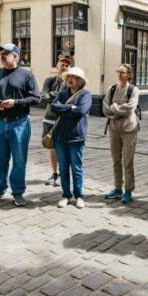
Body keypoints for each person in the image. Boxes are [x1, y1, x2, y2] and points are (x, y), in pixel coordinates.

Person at [0, 43, 41, 207]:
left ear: (15, 56)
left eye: (6, 53)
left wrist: (15, 102)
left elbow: (36, 98)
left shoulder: (26, 75)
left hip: (19, 123)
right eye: (1, 53)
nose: (2, 55)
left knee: (19, 159)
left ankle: (18, 192)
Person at [51, 67, 92, 209]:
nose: (70, 79)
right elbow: (53, 106)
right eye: (68, 76)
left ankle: (79, 196)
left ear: (79, 80)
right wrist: (71, 108)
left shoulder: (85, 95)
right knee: (63, 168)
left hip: (76, 137)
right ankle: (66, 195)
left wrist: (65, 108)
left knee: (76, 168)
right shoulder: (63, 93)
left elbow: (81, 111)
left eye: (73, 77)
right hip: (60, 137)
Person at [102, 64, 140, 204]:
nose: (119, 74)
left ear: (129, 74)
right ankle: (118, 188)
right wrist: (116, 113)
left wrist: (115, 108)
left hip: (129, 129)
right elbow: (105, 108)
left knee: (128, 161)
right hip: (114, 129)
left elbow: (130, 108)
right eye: (118, 71)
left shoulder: (133, 90)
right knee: (116, 160)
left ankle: (128, 190)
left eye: (123, 72)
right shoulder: (111, 89)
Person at [41, 55, 72, 187]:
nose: (64, 67)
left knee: (62, 148)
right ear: (57, 67)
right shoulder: (49, 80)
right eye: (62, 65)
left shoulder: (70, 83)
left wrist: (53, 95)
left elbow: (66, 98)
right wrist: (57, 95)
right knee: (51, 148)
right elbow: (43, 96)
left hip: (62, 120)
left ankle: (62, 174)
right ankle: (54, 173)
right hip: (48, 118)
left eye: (67, 65)